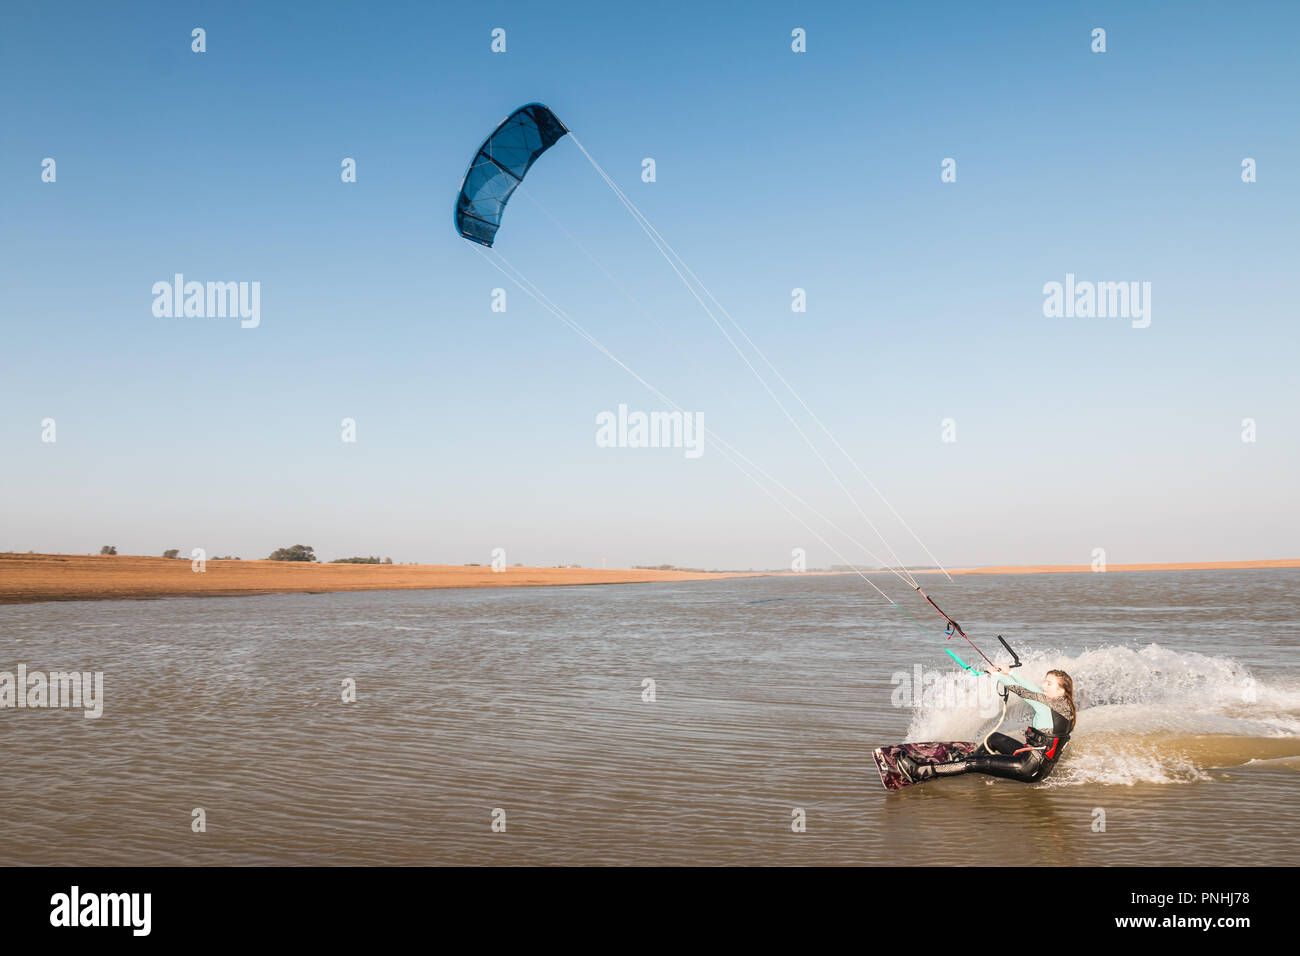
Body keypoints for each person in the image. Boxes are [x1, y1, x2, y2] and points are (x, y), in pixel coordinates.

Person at [896, 667, 1077, 784]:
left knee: (973, 764)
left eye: (1049, 683)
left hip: (1029, 768)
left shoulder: (1047, 704)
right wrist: (1011, 674)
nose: (1044, 686)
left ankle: (920, 771)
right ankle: (967, 762)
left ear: (1060, 690)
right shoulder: (1065, 706)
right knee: (994, 739)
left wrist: (997, 675)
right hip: (1037, 763)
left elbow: (1025, 692)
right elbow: (1035, 691)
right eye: (1045, 681)